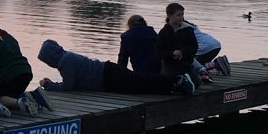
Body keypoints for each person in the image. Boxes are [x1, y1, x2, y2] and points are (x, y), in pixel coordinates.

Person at [37, 39, 195, 95]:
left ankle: (178, 80)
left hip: (108, 76)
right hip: (108, 75)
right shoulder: (67, 57)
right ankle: (174, 87)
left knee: (142, 82)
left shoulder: (65, 62)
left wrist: (50, 85)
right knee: (140, 86)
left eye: (46, 60)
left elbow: (69, 86)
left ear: (51, 56)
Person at [0, 16, 49, 115]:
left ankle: (21, 102)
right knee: (11, 97)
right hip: (26, 72)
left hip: (10, 75)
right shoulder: (9, 36)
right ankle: (34, 97)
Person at [155, 3, 202, 87]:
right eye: (178, 15)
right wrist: (172, 53)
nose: (181, 17)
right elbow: (158, 51)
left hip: (185, 64)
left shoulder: (188, 30)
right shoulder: (163, 32)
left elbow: (194, 47)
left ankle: (186, 80)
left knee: (196, 84)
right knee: (167, 85)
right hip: (169, 65)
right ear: (169, 16)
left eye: (182, 15)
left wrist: (182, 52)